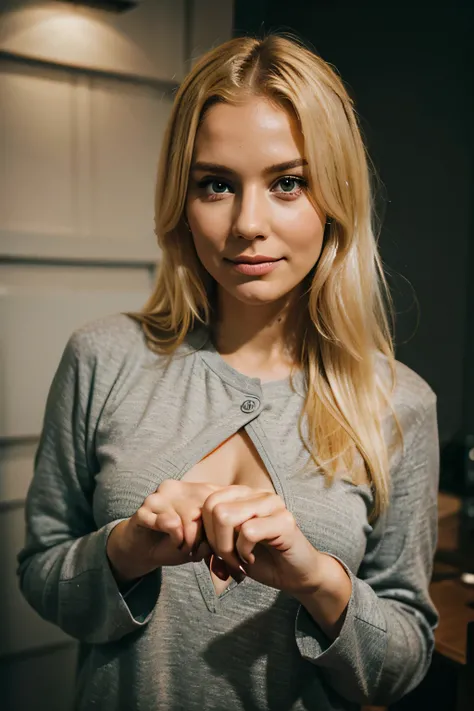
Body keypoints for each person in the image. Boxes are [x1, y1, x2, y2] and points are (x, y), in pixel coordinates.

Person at [18, 33, 439, 711]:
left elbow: (399, 664)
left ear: (335, 197)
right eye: (216, 183)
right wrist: (126, 548)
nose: (248, 223)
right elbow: (42, 577)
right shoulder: (102, 357)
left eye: (287, 183)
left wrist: (317, 578)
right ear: (181, 201)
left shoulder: (399, 403)